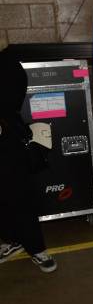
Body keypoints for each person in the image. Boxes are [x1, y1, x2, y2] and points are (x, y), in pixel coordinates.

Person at [0, 44, 57, 273]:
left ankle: (35, 248)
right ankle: (10, 241)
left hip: (7, 140)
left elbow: (13, 97)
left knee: (19, 194)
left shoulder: (7, 64)